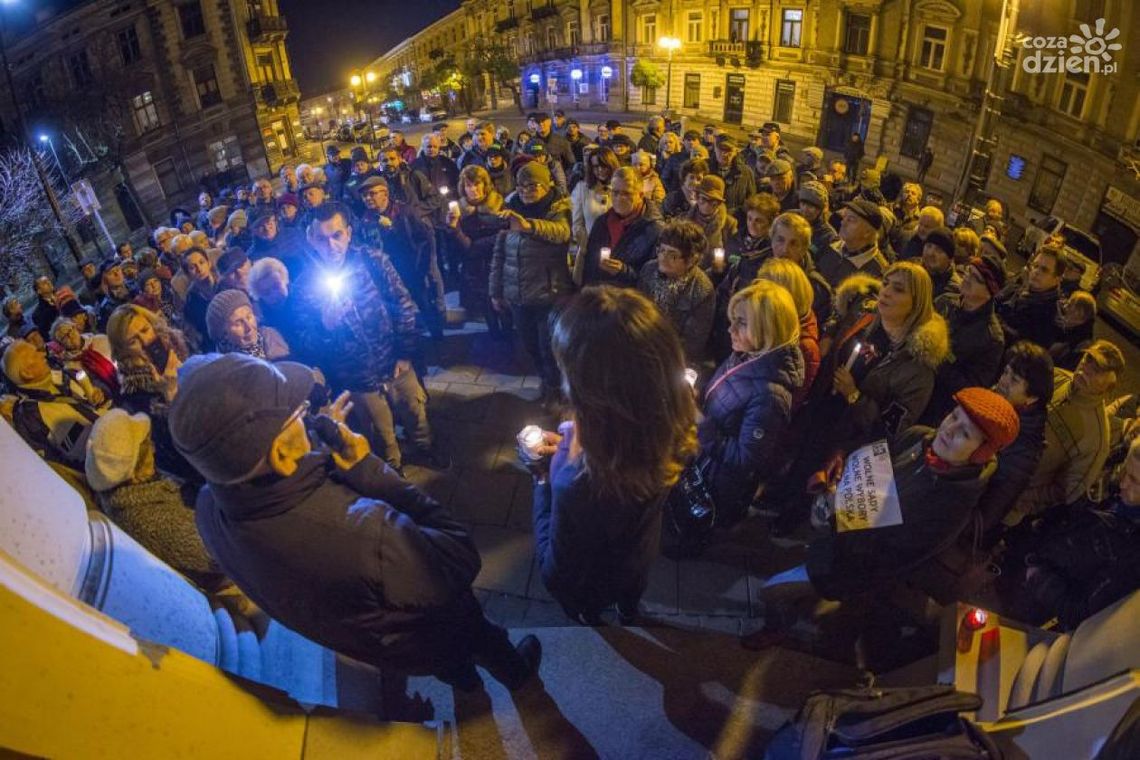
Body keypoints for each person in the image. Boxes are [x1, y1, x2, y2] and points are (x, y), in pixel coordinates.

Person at [169, 352, 540, 690]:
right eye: (298, 415)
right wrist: (368, 469)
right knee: (480, 641)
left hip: (389, 645)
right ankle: (518, 677)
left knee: (453, 669)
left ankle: (468, 688)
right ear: (281, 455)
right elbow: (459, 557)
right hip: (435, 626)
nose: (306, 415)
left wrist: (316, 453)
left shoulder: (208, 508)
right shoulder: (366, 536)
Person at [526, 286, 697, 624]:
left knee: (587, 610)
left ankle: (592, 621)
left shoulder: (574, 480)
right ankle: (628, 613)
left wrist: (542, 478)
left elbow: (554, 571)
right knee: (630, 593)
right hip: (638, 557)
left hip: (589, 581)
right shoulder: (674, 431)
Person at [295, 203, 444, 473]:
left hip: (395, 362)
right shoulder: (304, 287)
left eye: (336, 235)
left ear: (349, 233)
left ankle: (426, 449)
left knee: (415, 413)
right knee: (379, 431)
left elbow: (404, 304)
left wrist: (405, 352)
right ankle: (393, 470)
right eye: (322, 238)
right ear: (311, 240)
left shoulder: (373, 260)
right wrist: (326, 327)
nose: (331, 245)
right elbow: (307, 344)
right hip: (356, 376)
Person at [998, 435, 1140, 631]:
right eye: (1125, 471)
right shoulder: (1111, 489)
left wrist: (1039, 578)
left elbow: (1080, 614)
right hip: (1020, 560)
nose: (1123, 483)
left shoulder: (1131, 553)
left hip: (1030, 606)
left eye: (1135, 481)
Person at [699, 280, 804, 529]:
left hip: (720, 485)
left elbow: (746, 459)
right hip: (707, 464)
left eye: (742, 322)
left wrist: (700, 423)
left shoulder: (771, 395)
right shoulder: (746, 354)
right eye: (733, 319)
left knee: (695, 535)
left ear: (769, 328)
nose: (730, 329)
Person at [84, 409, 222, 589]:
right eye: (148, 445)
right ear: (134, 472)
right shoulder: (152, 523)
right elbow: (224, 551)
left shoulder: (134, 485)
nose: (154, 448)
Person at [1008, 339, 1125, 524]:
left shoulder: (1096, 438)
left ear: (1110, 385)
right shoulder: (1055, 377)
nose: (1086, 368)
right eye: (1088, 359)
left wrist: (1021, 497)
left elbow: (1067, 490)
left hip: (1010, 504)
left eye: (1098, 370)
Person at [490, 161, 573, 403]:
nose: (527, 191)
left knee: (550, 349)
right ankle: (546, 383)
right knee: (530, 346)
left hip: (549, 293)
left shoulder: (559, 208)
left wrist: (528, 226)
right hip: (518, 296)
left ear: (547, 185)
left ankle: (556, 391)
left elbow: (562, 232)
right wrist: (495, 291)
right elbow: (499, 253)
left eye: (533, 185)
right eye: (522, 186)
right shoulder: (510, 208)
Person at [105, 304, 197, 484]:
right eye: (133, 341)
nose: (146, 341)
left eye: (146, 330)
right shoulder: (134, 395)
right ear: (122, 351)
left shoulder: (178, 345)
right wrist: (170, 393)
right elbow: (170, 449)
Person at [975, 343, 1053, 538]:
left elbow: (988, 514)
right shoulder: (992, 399)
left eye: (1015, 379)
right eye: (1006, 372)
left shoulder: (1025, 449)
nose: (1003, 381)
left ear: (1032, 398)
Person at [357, 175, 446, 340]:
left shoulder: (404, 211)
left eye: (372, 194)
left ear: (385, 193)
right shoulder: (366, 220)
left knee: (424, 303)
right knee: (396, 310)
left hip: (411, 269)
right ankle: (409, 341)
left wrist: (422, 269)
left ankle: (438, 337)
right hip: (386, 275)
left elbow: (425, 240)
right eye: (364, 196)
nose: (367, 198)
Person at [926, 255, 1006, 424]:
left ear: (990, 292)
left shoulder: (991, 339)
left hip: (935, 407)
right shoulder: (946, 301)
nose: (967, 278)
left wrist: (937, 359)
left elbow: (970, 388)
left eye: (976, 279)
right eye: (969, 271)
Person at [2, 338, 106, 467]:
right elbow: (57, 466)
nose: (43, 354)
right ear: (27, 373)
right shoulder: (30, 419)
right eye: (35, 355)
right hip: (101, 467)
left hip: (117, 434)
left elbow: (100, 391)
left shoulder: (64, 374)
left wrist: (101, 395)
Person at [445, 165, 512, 337]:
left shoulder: (499, 204)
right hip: (474, 267)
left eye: (476, 184)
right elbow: (457, 246)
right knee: (484, 303)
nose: (473, 189)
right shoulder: (459, 209)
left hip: (497, 263)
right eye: (468, 185)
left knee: (502, 304)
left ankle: (508, 335)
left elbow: (504, 234)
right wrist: (453, 229)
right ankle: (494, 335)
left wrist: (476, 245)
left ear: (485, 184)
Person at [636, 219, 715, 363]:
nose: (663, 258)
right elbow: (637, 310)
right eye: (661, 250)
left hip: (672, 358)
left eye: (672, 255)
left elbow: (693, 343)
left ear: (691, 259)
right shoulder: (648, 270)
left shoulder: (702, 289)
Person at [580, 166, 663, 287]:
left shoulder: (655, 230)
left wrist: (623, 271)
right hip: (600, 295)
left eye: (626, 193)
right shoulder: (602, 222)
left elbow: (655, 280)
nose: (619, 198)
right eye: (615, 192)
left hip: (629, 300)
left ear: (640, 195)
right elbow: (589, 264)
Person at [758, 258, 822, 411]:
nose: (758, 296)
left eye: (766, 291)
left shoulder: (804, 346)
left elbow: (789, 402)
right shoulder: (773, 320)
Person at [770, 211, 834, 329]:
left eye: (793, 244)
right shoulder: (754, 268)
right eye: (780, 240)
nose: (785, 249)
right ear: (772, 240)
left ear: (804, 248)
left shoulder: (815, 287)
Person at [998, 247, 1065, 349]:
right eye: (1035, 266)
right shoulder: (1017, 289)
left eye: (1044, 270)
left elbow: (1025, 348)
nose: (1036, 272)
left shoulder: (1050, 316)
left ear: (1057, 279)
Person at [815, 200, 890, 289]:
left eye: (851, 220)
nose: (843, 223)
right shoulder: (832, 244)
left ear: (867, 232)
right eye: (844, 217)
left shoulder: (877, 271)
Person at [207, 288, 291, 360]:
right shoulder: (223, 366)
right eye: (238, 323)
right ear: (224, 334)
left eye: (249, 317)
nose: (248, 328)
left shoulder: (269, 337)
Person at [570, 146, 619, 248]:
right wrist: (589, 244)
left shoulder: (621, 189)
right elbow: (576, 224)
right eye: (596, 166)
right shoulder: (582, 189)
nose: (600, 170)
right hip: (591, 247)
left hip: (618, 248)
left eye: (604, 166)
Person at [248, 206, 310, 279]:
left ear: (275, 221)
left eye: (268, 223)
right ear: (253, 230)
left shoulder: (294, 235)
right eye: (260, 226)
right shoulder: (253, 256)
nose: (267, 229)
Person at [178, 247, 220, 350]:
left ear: (209, 263)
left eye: (202, 262)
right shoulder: (191, 301)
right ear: (187, 274)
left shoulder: (224, 282)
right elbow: (200, 333)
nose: (199, 269)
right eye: (192, 267)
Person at [684, 174, 737, 252]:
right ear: (697, 198)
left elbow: (734, 253)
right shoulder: (686, 221)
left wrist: (723, 261)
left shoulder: (729, 224)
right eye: (703, 199)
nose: (707, 204)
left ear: (719, 203)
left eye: (713, 202)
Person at [709, 135, 756, 215]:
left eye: (728, 150)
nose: (724, 153)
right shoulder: (705, 168)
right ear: (714, 149)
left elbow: (751, 200)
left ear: (736, 151)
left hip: (735, 221)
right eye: (721, 149)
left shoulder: (746, 173)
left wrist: (734, 213)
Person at [1050, 290, 1096, 370]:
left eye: (1069, 305)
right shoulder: (1072, 331)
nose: (1065, 307)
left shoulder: (1080, 345)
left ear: (1079, 313)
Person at [920, 226, 961, 299]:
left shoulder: (953, 290)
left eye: (939, 250)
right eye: (928, 246)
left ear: (950, 259)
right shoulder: (913, 270)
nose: (931, 253)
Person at [798, 181, 839, 253]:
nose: (805, 209)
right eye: (803, 203)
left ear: (821, 209)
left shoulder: (828, 236)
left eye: (811, 206)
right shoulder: (791, 218)